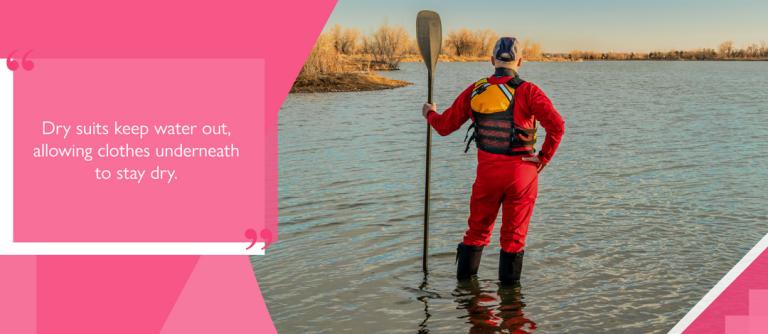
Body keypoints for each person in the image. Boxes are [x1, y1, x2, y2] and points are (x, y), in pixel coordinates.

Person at [421, 37, 565, 285]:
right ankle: (511, 302)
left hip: (487, 176)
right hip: (522, 175)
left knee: (476, 233)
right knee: (513, 239)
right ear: (520, 61)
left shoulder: (476, 89)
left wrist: (430, 113)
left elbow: (444, 127)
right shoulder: (529, 91)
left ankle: (466, 297)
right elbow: (557, 127)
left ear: (491, 60)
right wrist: (543, 158)